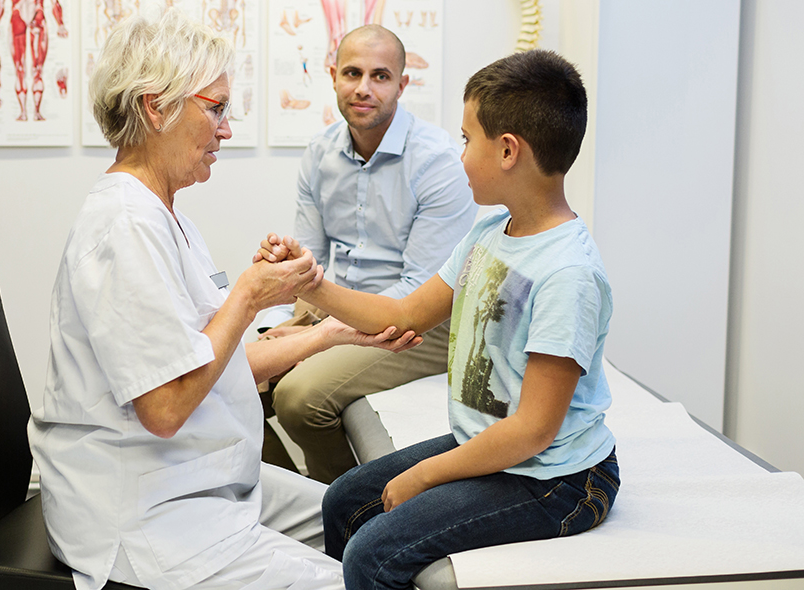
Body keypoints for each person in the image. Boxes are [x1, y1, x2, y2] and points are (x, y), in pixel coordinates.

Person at [28, 9, 420, 590]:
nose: (226, 128)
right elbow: (165, 407)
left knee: (372, 522)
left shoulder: (163, 215)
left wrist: (329, 334)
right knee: (364, 577)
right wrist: (247, 295)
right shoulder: (124, 226)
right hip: (149, 514)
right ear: (153, 107)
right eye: (213, 108)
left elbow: (211, 363)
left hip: (199, 479)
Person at [257, 49, 620, 589]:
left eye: (467, 139)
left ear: (507, 151)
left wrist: (423, 475)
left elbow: (534, 429)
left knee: (373, 555)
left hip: (556, 480)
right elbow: (402, 314)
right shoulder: (489, 234)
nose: (460, 153)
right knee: (343, 501)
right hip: (498, 447)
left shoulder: (567, 272)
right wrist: (311, 283)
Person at [257, 24, 476, 484]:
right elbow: (308, 266)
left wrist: (322, 336)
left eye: (380, 76)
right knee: (227, 382)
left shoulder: (437, 162)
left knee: (298, 397)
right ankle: (291, 496)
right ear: (332, 75)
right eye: (352, 73)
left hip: (422, 322)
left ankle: (341, 510)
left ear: (402, 84)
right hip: (340, 307)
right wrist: (285, 284)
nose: (363, 88)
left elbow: (418, 292)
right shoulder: (319, 155)